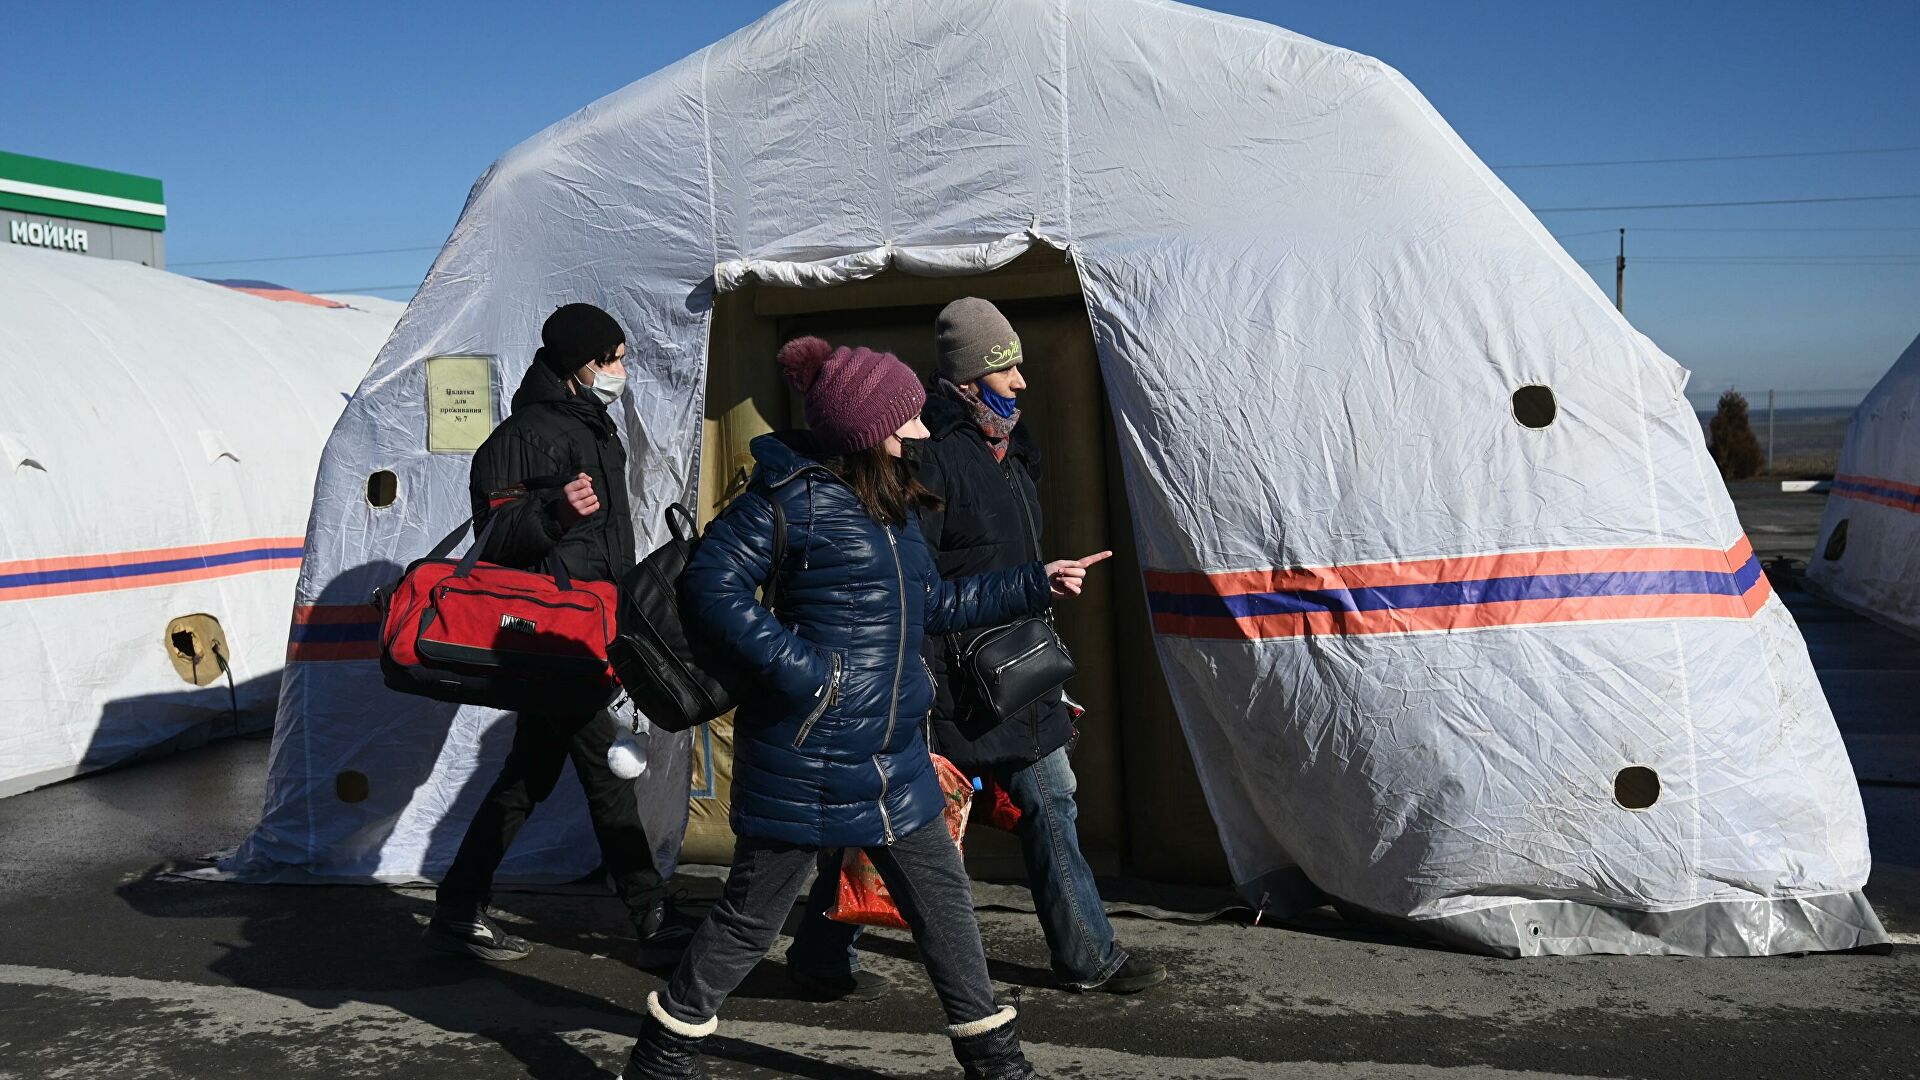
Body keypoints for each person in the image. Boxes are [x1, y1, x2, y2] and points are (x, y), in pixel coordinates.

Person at [622, 335, 1111, 1080]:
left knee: (945, 910)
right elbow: (709, 587)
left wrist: (1033, 583)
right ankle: (663, 1053)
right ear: (864, 428)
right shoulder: (791, 500)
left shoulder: (893, 507)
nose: (919, 432)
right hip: (808, 753)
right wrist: (811, 675)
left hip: (893, 756)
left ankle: (997, 1064)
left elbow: (935, 603)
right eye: (907, 420)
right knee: (750, 919)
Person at [787, 298, 1167, 999]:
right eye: (1003, 368)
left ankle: (1087, 955)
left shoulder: (1017, 454)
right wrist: (922, 698)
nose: (1021, 381)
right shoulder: (932, 460)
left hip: (1017, 675)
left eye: (1019, 363)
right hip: (952, 684)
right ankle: (817, 951)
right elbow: (917, 588)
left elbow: (1011, 569)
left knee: (1052, 802)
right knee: (895, 823)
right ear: (965, 380)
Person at [426, 303, 693, 969]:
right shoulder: (525, 435)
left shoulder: (592, 426)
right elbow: (497, 533)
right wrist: (550, 511)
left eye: (621, 358)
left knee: (529, 774)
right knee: (604, 776)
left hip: (589, 621)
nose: (620, 371)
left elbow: (604, 537)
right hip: (550, 630)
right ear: (578, 367)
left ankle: (459, 905)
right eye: (611, 359)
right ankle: (650, 914)